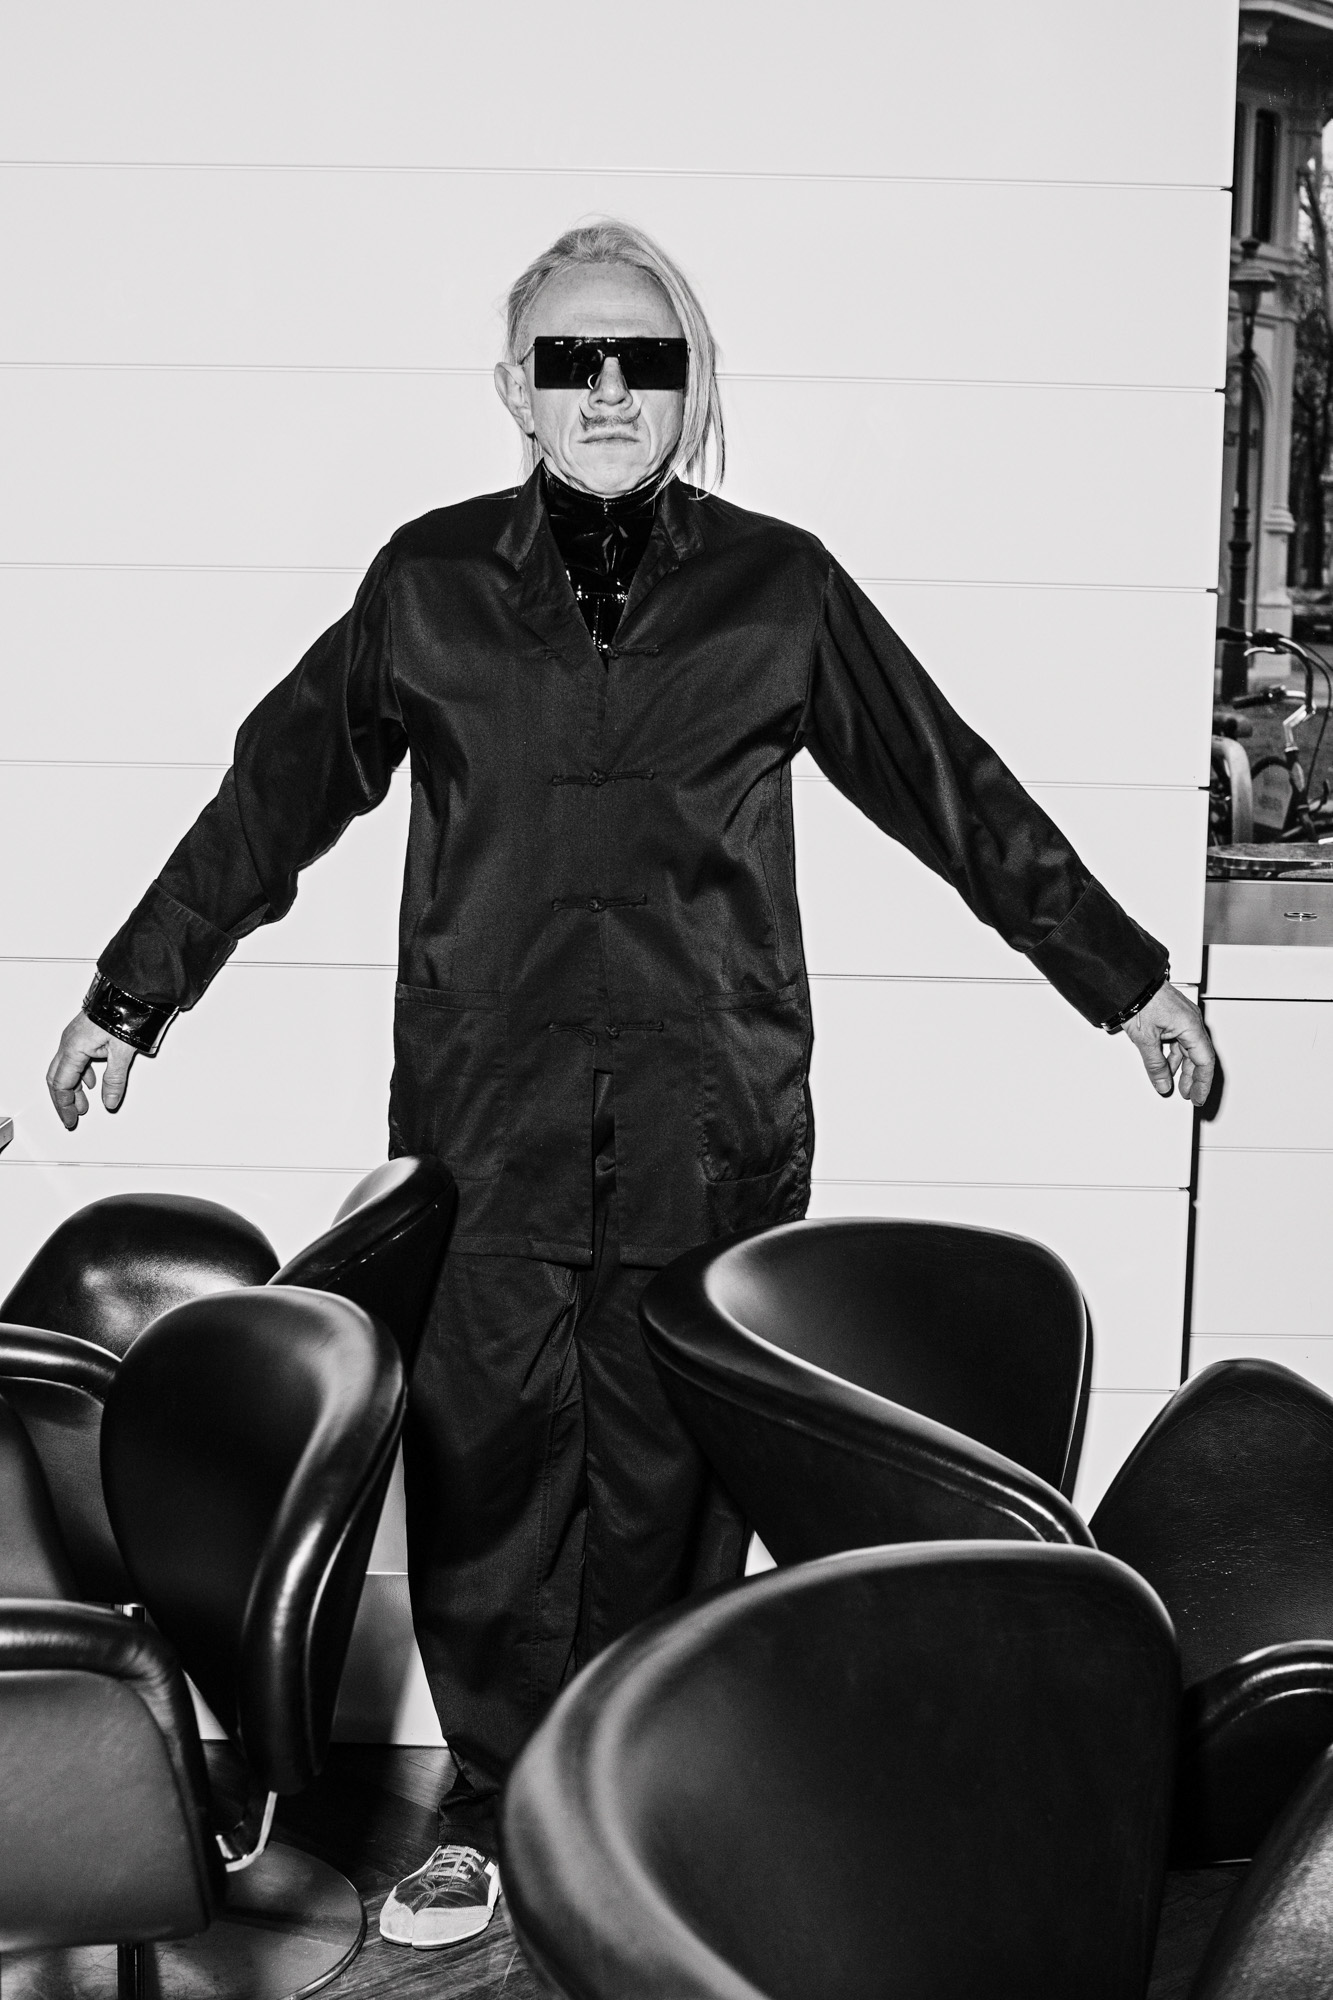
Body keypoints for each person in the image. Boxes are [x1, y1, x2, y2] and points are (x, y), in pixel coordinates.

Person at [47, 219, 1215, 1945]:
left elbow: (951, 791)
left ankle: (640, 1815)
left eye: (643, 360)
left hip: (704, 1121)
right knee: (485, 1486)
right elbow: (272, 795)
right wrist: (131, 994)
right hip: (483, 1122)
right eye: (572, 360)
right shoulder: (426, 584)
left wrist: (1122, 980)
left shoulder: (780, 590)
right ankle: (495, 1814)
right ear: (513, 388)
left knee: (672, 1490)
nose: (608, 391)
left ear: (689, 385)